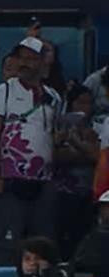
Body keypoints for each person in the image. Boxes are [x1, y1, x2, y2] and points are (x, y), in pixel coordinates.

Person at [0, 37, 63, 266]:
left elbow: (55, 135)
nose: (25, 63)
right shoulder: (5, 91)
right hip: (10, 181)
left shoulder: (53, 97)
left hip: (43, 182)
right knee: (6, 244)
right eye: (22, 58)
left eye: (31, 58)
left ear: (41, 62)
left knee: (45, 243)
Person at [53, 83, 101, 258]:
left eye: (88, 103)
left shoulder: (97, 127)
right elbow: (58, 157)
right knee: (62, 238)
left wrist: (76, 143)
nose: (84, 108)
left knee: (83, 238)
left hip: (88, 192)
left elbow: (97, 156)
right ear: (71, 103)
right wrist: (83, 152)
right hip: (64, 193)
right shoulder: (59, 125)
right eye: (80, 103)